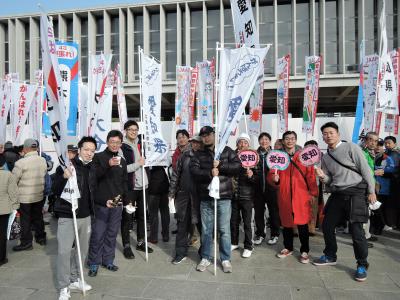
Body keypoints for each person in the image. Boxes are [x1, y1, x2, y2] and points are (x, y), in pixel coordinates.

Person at [314, 122, 376, 282]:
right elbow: (329, 179)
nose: (328, 136)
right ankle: (330, 255)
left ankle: (362, 264)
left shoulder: (351, 148)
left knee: (357, 232)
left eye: (331, 132)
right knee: (327, 225)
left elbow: (365, 169)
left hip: (356, 193)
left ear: (338, 134)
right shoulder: (326, 157)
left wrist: (371, 191)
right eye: (325, 133)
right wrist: (322, 176)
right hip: (338, 193)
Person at [191, 126, 241, 273]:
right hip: (206, 197)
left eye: (208, 135)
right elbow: (194, 171)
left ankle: (225, 259)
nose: (206, 138)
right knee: (206, 230)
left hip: (224, 197)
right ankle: (205, 257)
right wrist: (209, 173)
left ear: (214, 135)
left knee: (224, 230)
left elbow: (238, 166)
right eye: (203, 136)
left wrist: (222, 165)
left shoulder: (226, 150)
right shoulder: (198, 154)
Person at [52, 137, 97, 300]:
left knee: (81, 251)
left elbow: (93, 191)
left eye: (92, 151)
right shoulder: (67, 165)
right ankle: (63, 286)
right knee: (64, 252)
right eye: (86, 149)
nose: (89, 153)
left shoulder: (92, 167)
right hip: (67, 215)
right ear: (79, 149)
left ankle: (76, 279)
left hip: (86, 216)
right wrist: (63, 177)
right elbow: (54, 190)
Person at [269, 131, 318, 264]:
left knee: (302, 224)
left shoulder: (304, 157)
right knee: (286, 224)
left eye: (292, 138)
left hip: (301, 195)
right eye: (287, 139)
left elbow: (311, 176)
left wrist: (313, 193)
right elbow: (271, 176)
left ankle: (304, 250)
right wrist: (275, 179)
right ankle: (288, 247)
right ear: (283, 141)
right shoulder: (278, 157)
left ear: (295, 140)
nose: (290, 141)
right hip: (284, 195)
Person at [87, 130, 129, 277]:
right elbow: (93, 178)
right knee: (98, 234)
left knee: (112, 234)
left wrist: (127, 200)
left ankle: (108, 260)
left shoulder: (122, 161)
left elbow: (124, 183)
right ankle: (93, 263)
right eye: (112, 142)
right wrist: (108, 164)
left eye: (118, 142)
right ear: (107, 141)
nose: (115, 145)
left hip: (117, 205)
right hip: (101, 204)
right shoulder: (98, 158)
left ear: (121, 144)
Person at [120, 120, 153, 259]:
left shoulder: (141, 145)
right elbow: (124, 169)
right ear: (125, 131)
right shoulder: (123, 147)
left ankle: (140, 241)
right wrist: (138, 164)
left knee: (142, 216)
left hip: (143, 187)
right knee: (127, 217)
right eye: (130, 129)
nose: (133, 131)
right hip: (130, 188)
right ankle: (126, 245)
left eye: (135, 129)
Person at [169, 135, 202, 264]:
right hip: (183, 197)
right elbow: (175, 174)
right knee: (182, 226)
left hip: (200, 198)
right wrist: (172, 192)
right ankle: (180, 253)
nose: (196, 144)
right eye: (193, 142)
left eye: (198, 142)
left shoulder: (206, 156)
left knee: (203, 227)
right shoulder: (184, 156)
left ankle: (204, 254)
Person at [12, 138, 47, 251]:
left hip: (24, 197)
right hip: (39, 195)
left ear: (25, 149)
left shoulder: (20, 163)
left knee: (25, 220)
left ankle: (26, 242)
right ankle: (41, 238)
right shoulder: (42, 160)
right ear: (35, 148)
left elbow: (13, 180)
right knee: (38, 217)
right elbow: (45, 173)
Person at [231, 133, 258, 258]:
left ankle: (248, 246)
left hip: (247, 197)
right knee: (233, 221)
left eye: (245, 142)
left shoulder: (253, 158)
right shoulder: (232, 156)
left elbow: (257, 180)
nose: (242, 144)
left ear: (249, 144)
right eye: (240, 142)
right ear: (237, 144)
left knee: (247, 223)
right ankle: (234, 242)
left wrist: (251, 175)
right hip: (233, 195)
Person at [253, 132, 280, 246]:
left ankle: (274, 234)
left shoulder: (275, 154)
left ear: (270, 141)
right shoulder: (254, 154)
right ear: (259, 141)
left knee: (273, 212)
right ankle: (260, 234)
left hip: (271, 188)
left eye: (266, 139)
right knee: (258, 213)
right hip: (257, 189)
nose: (264, 141)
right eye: (262, 139)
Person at [372, 139, 395, 235]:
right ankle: (376, 227)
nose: (378, 147)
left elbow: (392, 170)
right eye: (377, 145)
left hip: (383, 188)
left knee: (380, 208)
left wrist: (381, 171)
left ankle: (380, 227)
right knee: (375, 208)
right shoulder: (372, 157)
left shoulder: (387, 158)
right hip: (374, 187)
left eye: (380, 145)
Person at [361, 132, 379, 246]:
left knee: (368, 212)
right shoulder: (362, 153)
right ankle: (361, 239)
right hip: (363, 187)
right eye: (371, 140)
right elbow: (362, 170)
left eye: (376, 141)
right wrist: (374, 173)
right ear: (366, 141)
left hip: (369, 187)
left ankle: (366, 235)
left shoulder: (370, 153)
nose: (373, 143)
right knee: (363, 214)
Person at [0, 154, 18, 266]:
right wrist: (15, 206)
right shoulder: (8, 175)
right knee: (2, 234)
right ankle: (1, 258)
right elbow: (13, 193)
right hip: (4, 209)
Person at [147, 164, 170, 243]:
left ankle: (153, 237)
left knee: (154, 213)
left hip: (153, 188)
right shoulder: (162, 160)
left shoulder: (150, 160)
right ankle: (165, 235)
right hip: (164, 185)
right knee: (165, 212)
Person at [304, 140, 321, 236]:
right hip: (302, 187)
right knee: (303, 208)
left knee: (313, 208)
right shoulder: (301, 159)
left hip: (315, 186)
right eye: (308, 147)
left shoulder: (321, 159)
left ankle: (311, 228)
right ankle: (301, 227)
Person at [383, 136, 400, 229]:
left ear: (395, 144)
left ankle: (390, 223)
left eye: (389, 143)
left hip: (394, 182)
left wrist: (380, 171)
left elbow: (392, 169)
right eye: (386, 143)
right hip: (391, 182)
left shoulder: (395, 154)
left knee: (391, 204)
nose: (387, 145)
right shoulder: (388, 153)